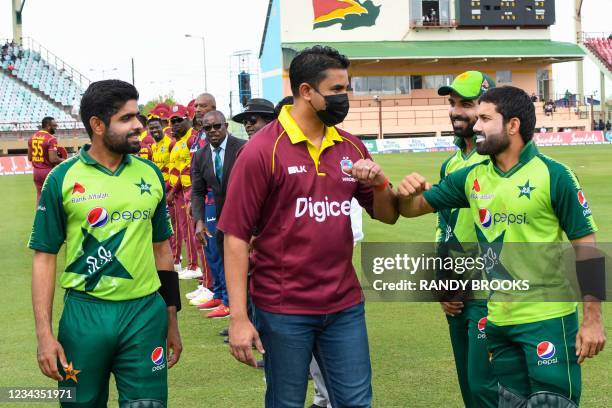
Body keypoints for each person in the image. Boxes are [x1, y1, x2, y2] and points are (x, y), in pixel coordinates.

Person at [397, 86, 605, 407]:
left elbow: (587, 249)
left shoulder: (555, 175)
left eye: (485, 118)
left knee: (552, 402)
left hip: (547, 319)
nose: (476, 126)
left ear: (512, 125)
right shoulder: (471, 177)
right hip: (498, 322)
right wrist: (404, 193)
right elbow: (411, 208)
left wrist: (592, 320)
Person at [219, 45, 398, 407]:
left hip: (344, 305)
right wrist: (239, 318)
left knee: (356, 402)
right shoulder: (261, 151)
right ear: (305, 91)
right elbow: (236, 237)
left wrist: (380, 183)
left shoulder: (351, 146)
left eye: (346, 89)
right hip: (283, 308)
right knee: (286, 402)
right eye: (336, 90)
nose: (345, 98)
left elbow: (387, 214)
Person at [28, 80, 182, 407]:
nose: (139, 125)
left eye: (137, 116)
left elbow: (162, 250)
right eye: (127, 118)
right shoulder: (62, 178)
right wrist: (44, 335)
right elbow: (44, 257)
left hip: (144, 314)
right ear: (97, 125)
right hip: (84, 317)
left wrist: (171, 317)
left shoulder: (150, 174)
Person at [435, 71, 498, 407]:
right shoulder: (451, 163)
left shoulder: (495, 161)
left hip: (489, 289)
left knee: (484, 383)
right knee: (468, 384)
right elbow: (442, 225)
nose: (456, 111)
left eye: (467, 104)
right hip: (455, 287)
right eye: (452, 103)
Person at [191, 110, 246, 319]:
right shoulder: (200, 156)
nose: (213, 131)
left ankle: (253, 320)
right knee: (227, 265)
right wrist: (199, 221)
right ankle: (235, 313)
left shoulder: (242, 147)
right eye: (207, 128)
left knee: (249, 269)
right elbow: (198, 191)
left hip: (246, 220)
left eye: (217, 126)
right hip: (222, 220)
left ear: (226, 126)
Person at [167, 105, 204, 279]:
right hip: (181, 191)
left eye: (178, 120)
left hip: (190, 189)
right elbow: (175, 169)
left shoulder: (193, 139)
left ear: (188, 119)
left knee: (193, 230)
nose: (174, 124)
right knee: (184, 229)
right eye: (172, 121)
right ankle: (193, 265)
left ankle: (195, 266)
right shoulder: (177, 142)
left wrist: (174, 190)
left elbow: (191, 168)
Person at [28, 116, 63, 204]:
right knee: (53, 197)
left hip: (36, 172)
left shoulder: (32, 137)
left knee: (39, 196)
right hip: (48, 172)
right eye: (54, 125)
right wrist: (66, 161)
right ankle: (52, 217)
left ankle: (39, 217)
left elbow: (30, 158)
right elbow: (53, 159)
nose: (56, 127)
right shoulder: (51, 139)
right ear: (48, 126)